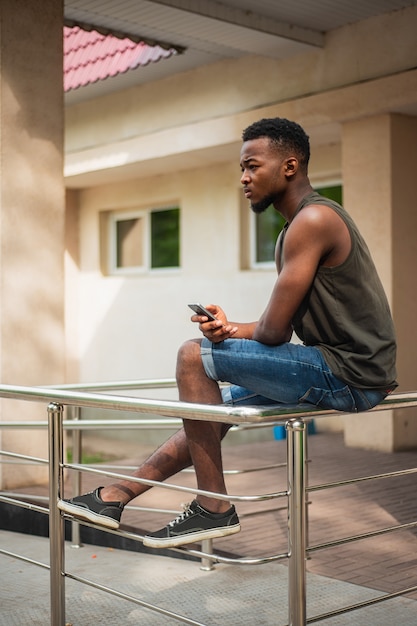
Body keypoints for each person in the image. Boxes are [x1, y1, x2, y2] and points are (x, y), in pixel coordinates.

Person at [58, 117, 397, 548]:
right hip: (344, 368)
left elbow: (274, 332)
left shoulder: (313, 220)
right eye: (242, 168)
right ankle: (115, 495)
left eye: (253, 166)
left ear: (289, 167)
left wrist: (231, 332)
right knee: (211, 412)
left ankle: (213, 508)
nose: (244, 178)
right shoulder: (299, 226)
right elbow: (280, 326)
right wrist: (231, 328)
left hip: (348, 372)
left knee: (191, 355)